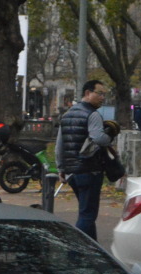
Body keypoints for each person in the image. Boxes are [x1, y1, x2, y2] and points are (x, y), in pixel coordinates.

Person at [56, 79, 114, 240]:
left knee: (85, 211)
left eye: (104, 94)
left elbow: (59, 144)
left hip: (72, 172)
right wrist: (110, 135)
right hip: (89, 170)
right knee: (87, 215)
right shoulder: (92, 114)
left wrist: (61, 168)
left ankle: (93, 249)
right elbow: (99, 138)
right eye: (100, 93)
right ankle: (76, 250)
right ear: (88, 93)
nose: (103, 98)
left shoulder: (67, 114)